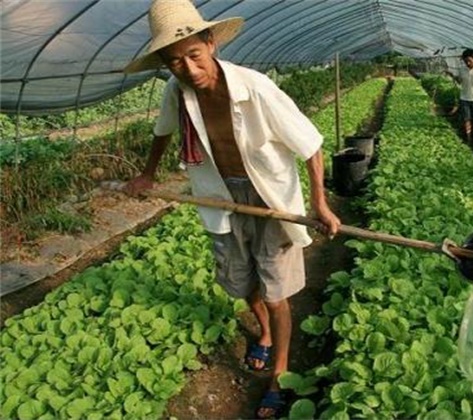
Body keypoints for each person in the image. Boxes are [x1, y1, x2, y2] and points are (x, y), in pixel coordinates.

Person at [122, 0, 341, 417]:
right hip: (219, 197)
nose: (188, 68)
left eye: (194, 55)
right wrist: (147, 175)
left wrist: (320, 203)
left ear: (211, 44)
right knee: (242, 285)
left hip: (270, 200)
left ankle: (278, 374)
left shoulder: (254, 87)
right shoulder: (178, 91)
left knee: (276, 292)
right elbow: (162, 132)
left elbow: (311, 144)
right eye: (175, 62)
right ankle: (263, 333)